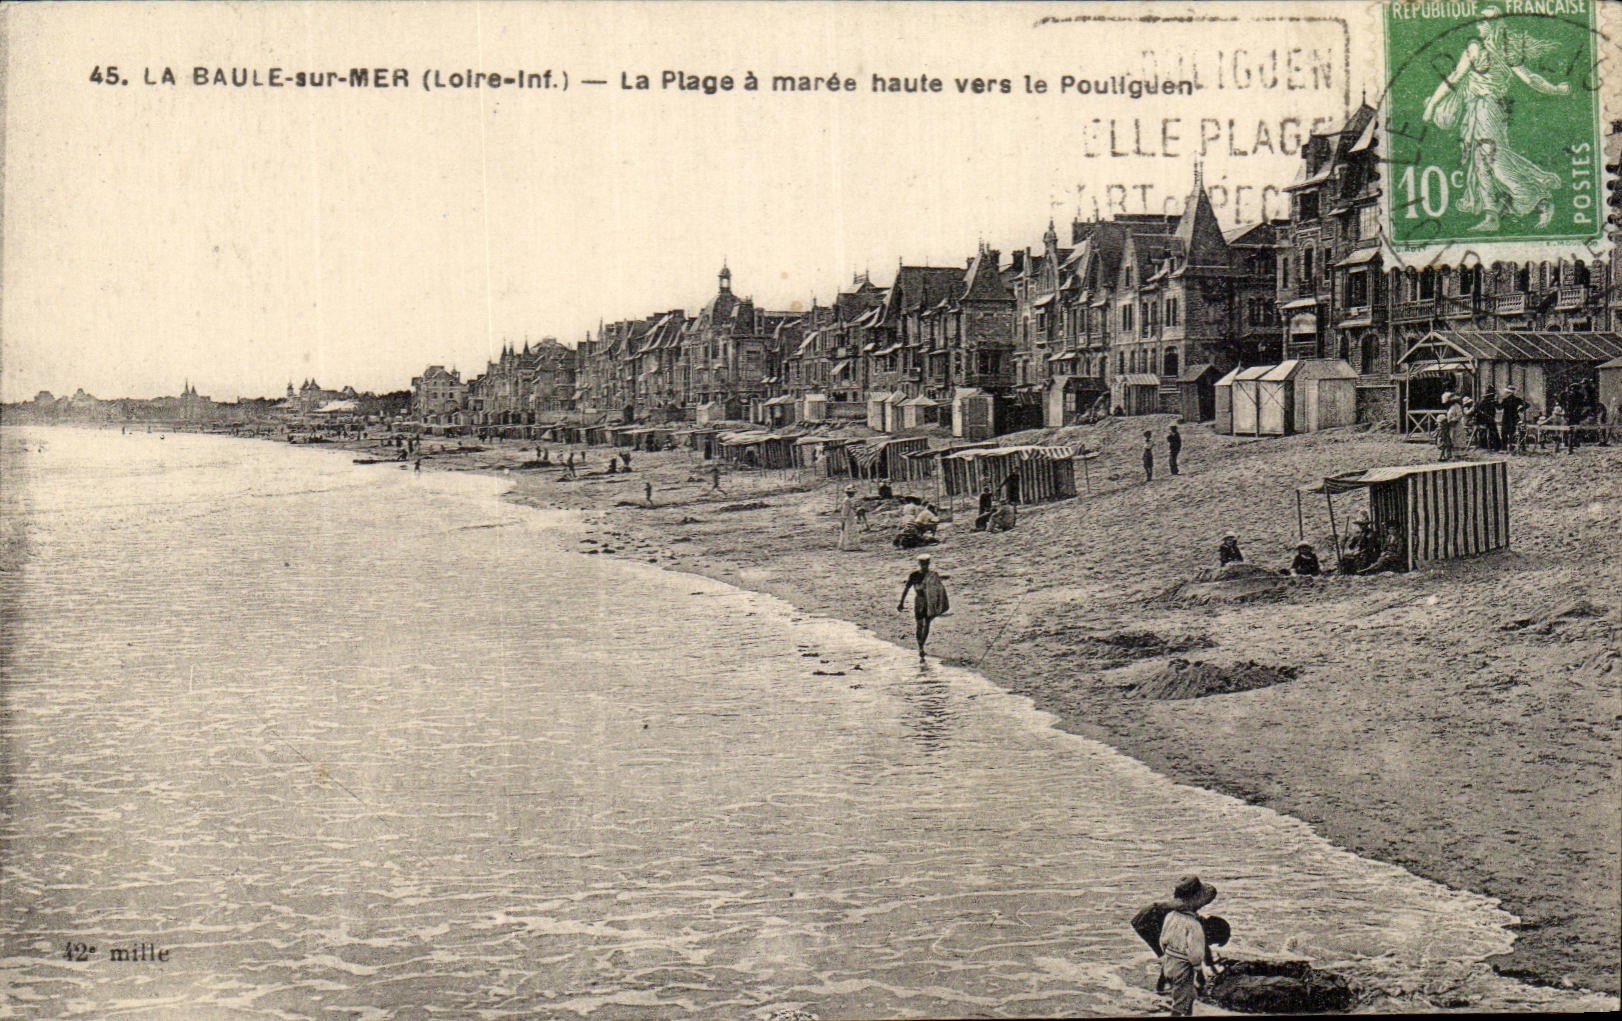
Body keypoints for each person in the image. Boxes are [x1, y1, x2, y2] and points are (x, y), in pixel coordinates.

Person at [1422, 5, 1567, 233]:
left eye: (1484, 21)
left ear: (1494, 24)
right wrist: (1555, 89)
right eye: (1480, 20)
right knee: (1482, 162)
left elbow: (1455, 77)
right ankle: (1492, 216)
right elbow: (1530, 78)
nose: (1479, 24)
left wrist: (1432, 105)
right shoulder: (1503, 49)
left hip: (1486, 108)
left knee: (1494, 160)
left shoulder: (1479, 48)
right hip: (1486, 109)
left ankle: (1537, 197)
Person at [1159, 875, 1219, 1016]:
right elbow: (1195, 954)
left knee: (1185, 996)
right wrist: (1198, 970)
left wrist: (1168, 956)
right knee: (1181, 1004)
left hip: (1169, 963)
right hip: (1183, 968)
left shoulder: (1170, 916)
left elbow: (1162, 941)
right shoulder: (1193, 925)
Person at [897, 553, 949, 661]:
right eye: (922, 564)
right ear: (919, 564)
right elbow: (906, 588)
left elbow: (940, 590)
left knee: (927, 624)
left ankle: (922, 645)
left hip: (930, 602)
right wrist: (901, 602)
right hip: (919, 601)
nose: (924, 566)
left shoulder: (933, 575)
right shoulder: (914, 575)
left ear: (928, 564)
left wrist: (940, 604)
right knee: (920, 624)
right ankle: (920, 646)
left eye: (926, 564)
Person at [1342, 508, 1374, 574]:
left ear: (1366, 525)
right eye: (1360, 525)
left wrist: (1360, 551)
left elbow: (1370, 547)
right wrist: (1345, 541)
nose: (1361, 526)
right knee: (1346, 557)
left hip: (1366, 553)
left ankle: (1360, 570)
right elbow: (1351, 546)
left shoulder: (1370, 533)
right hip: (1357, 551)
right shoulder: (1357, 534)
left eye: (1363, 524)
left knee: (1361, 558)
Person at [1499, 385, 1525, 452]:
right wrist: (1521, 410)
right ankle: (1511, 448)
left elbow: (1500, 408)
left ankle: (1504, 448)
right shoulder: (1517, 399)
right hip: (1514, 417)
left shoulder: (1505, 400)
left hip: (1506, 418)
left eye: (1507, 392)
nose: (1506, 394)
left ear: (1509, 393)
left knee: (1504, 433)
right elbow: (1527, 404)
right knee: (1512, 432)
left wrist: (1495, 403)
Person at [838, 486, 861, 551]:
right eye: (852, 493)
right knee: (848, 528)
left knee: (851, 528)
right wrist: (844, 517)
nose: (853, 494)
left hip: (851, 515)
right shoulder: (847, 500)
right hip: (849, 516)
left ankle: (852, 545)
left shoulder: (849, 500)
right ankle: (848, 545)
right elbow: (845, 510)